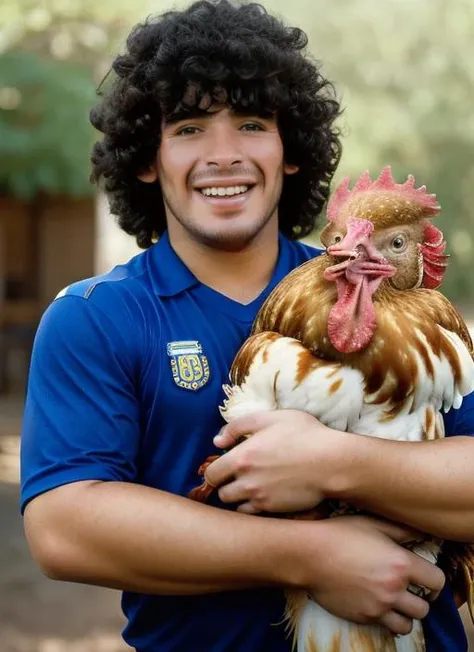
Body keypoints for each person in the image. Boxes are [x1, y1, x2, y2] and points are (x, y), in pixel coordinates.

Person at [20, 1, 474, 651]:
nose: (224, 154)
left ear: (292, 150)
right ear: (147, 159)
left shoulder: (382, 290)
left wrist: (338, 464)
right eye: (189, 129)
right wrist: (310, 556)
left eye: (253, 123)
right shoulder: (95, 318)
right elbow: (64, 527)